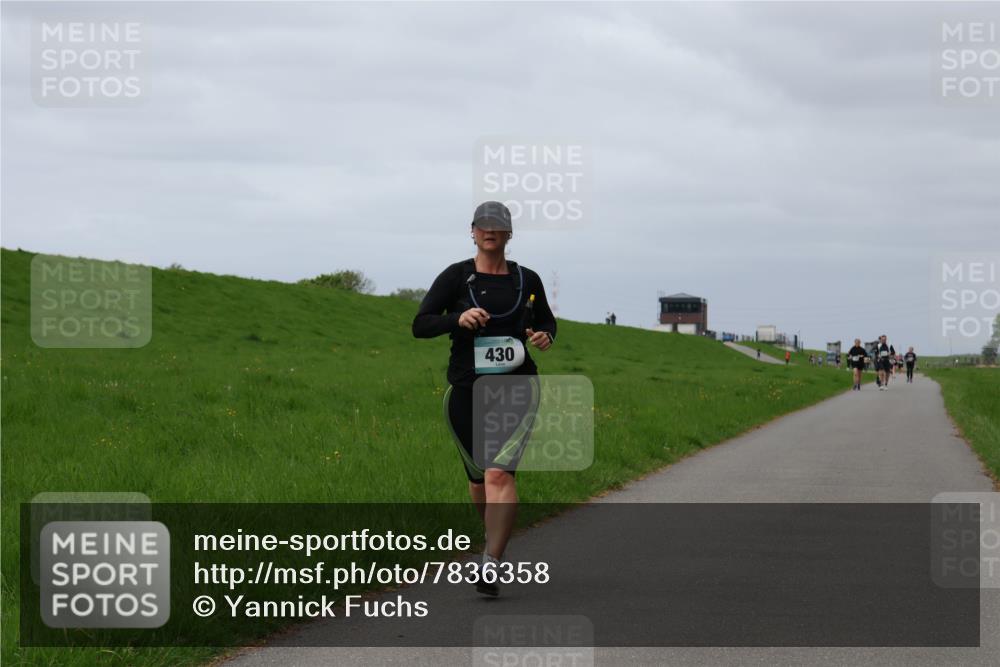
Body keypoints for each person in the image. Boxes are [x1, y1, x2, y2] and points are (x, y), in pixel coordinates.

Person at [412, 201, 556, 597]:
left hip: (517, 389)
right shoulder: (456, 277)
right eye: (483, 225)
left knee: (498, 474)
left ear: (509, 234)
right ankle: (492, 539)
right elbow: (420, 325)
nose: (490, 230)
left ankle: (491, 562)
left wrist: (546, 336)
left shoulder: (528, 279)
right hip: (466, 389)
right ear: (472, 231)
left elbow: (546, 321)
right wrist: (455, 319)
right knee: (479, 481)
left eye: (499, 225)